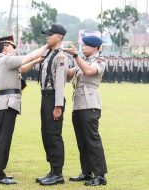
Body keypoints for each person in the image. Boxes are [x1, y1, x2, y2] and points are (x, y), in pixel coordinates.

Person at [0, 35, 47, 185]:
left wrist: (36, 61)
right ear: (6, 47)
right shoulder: (6, 59)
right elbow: (28, 57)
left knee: (0, 140)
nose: (14, 49)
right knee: (3, 141)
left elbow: (22, 68)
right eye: (12, 46)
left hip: (3, 104)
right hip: (6, 104)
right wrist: (47, 45)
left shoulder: (3, 61)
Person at [65, 35, 108, 186]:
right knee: (82, 141)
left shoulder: (99, 61)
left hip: (90, 105)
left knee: (92, 141)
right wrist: (60, 58)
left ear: (96, 47)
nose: (83, 48)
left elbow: (89, 71)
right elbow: (70, 73)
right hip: (78, 105)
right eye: (82, 46)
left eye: (86, 46)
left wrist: (76, 56)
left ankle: (100, 175)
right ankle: (87, 172)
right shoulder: (83, 60)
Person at [35, 24, 69, 186]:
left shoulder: (61, 56)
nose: (47, 37)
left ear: (59, 37)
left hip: (54, 97)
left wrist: (58, 106)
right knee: (46, 133)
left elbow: (60, 83)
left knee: (54, 135)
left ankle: (58, 173)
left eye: (50, 35)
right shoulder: (49, 53)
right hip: (45, 97)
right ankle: (52, 169)